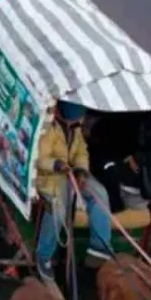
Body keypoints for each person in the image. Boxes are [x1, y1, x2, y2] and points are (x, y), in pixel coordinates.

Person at [35, 101, 113, 280]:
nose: (76, 123)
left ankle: (99, 248)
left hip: (71, 174)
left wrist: (82, 171)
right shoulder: (48, 128)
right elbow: (39, 158)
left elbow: (81, 152)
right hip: (49, 177)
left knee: (99, 192)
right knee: (57, 205)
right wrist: (56, 165)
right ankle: (43, 256)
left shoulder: (76, 129)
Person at [87, 111, 151, 214]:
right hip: (137, 164)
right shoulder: (143, 121)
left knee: (108, 169)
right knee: (102, 162)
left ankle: (115, 207)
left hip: (148, 176)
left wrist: (138, 158)